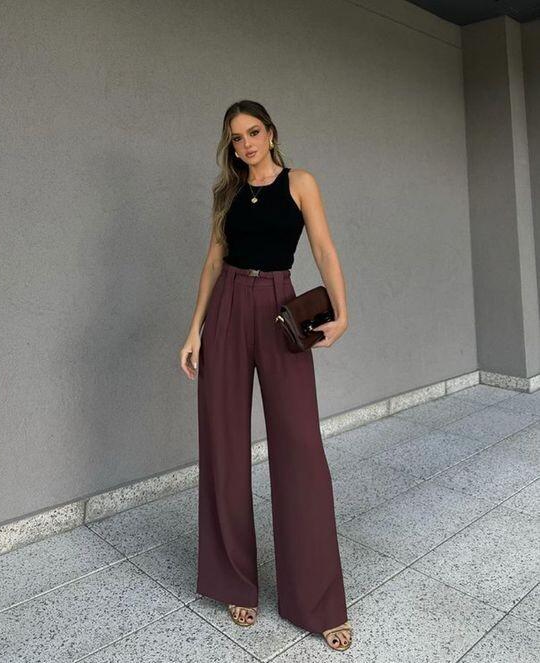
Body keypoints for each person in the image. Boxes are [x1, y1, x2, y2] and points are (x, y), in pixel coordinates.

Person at [180, 100, 352, 651]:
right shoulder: (227, 192)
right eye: (236, 137)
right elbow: (213, 261)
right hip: (228, 308)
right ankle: (235, 581)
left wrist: (342, 311)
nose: (246, 143)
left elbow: (322, 247)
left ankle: (315, 601)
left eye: (253, 132)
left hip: (279, 306)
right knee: (224, 445)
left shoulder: (300, 182)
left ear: (271, 133)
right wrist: (194, 330)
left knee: (300, 447)